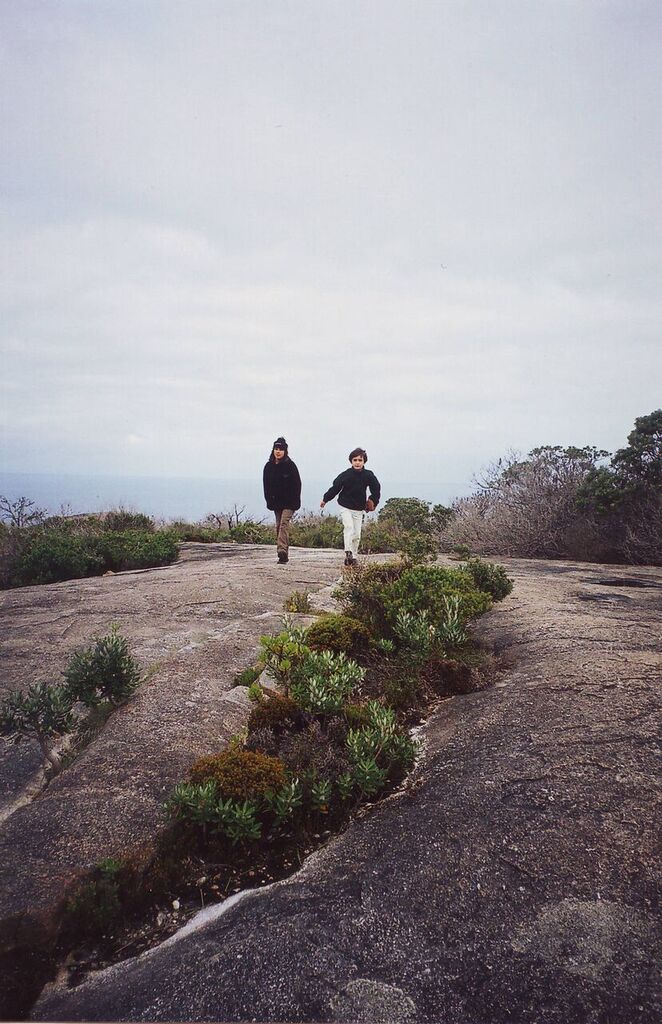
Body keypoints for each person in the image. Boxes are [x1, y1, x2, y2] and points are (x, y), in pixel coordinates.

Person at [320, 447, 380, 566]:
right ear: (351, 461)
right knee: (349, 527)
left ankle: (354, 557)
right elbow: (335, 488)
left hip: (359, 508)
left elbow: (376, 489)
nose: (357, 462)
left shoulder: (368, 475)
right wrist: (325, 499)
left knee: (357, 534)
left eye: (360, 460)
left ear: (364, 461)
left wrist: (373, 501)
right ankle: (348, 553)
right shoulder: (346, 475)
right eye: (355, 460)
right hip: (345, 506)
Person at [263, 437, 301, 564]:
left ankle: (282, 551)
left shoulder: (291, 466)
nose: (278, 451)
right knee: (278, 526)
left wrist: (295, 501)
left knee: (284, 524)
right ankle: (284, 554)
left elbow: (297, 484)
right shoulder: (268, 466)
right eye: (276, 449)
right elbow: (266, 486)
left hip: (290, 502)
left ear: (285, 451)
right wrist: (269, 500)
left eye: (281, 449)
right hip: (277, 502)